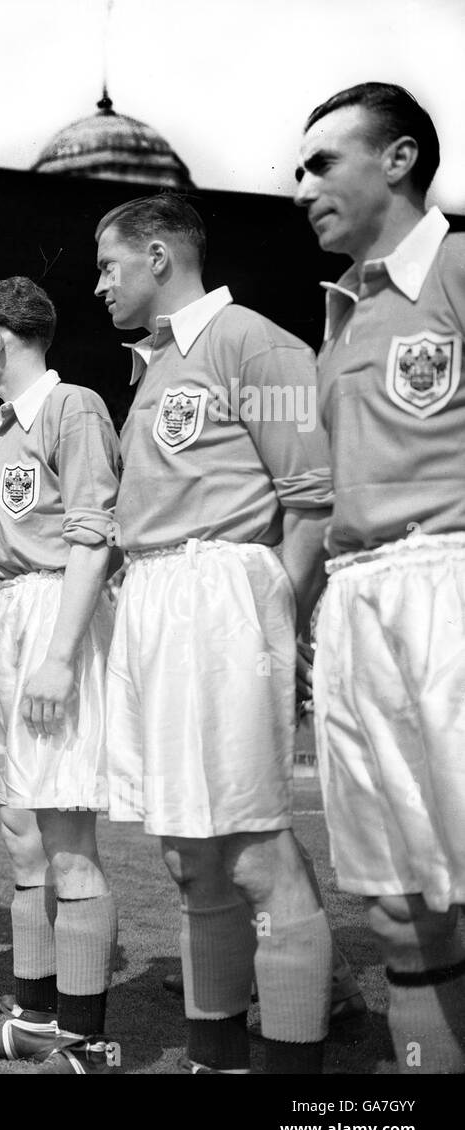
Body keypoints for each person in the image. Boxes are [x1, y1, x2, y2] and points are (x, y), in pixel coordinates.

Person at [95, 192, 334, 1074]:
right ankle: (216, 1059)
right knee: (190, 853)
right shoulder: (154, 364)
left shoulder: (255, 343)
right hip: (157, 597)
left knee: (253, 846)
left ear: (159, 256)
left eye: (108, 266)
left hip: (223, 593)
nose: (98, 286)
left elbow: (311, 501)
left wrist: (278, 615)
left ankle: (296, 1085)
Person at [296, 82, 465, 1073]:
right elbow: (324, 499)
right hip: (356, 603)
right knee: (402, 912)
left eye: (321, 163)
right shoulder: (341, 315)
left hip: (447, 580)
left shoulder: (455, 268)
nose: (299, 186)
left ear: (396, 159)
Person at [0, 278, 122, 1073]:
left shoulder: (72, 406)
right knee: (24, 834)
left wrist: (56, 654)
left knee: (68, 836)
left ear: (2, 336)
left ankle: (86, 1040)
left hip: (54, 616)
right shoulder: (2, 427)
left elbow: (93, 537)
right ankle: (38, 1015)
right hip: (11, 617)